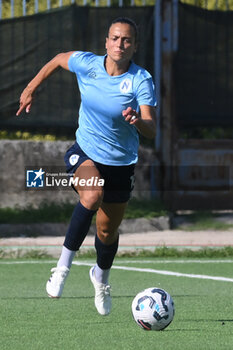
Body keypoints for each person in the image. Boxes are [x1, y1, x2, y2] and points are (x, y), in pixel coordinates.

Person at [16, 17, 156, 316]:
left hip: (120, 163)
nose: (120, 44)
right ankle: (62, 267)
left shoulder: (140, 80)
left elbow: (152, 129)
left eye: (126, 40)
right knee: (92, 195)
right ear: (106, 42)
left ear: (135, 46)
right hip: (86, 152)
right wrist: (31, 87)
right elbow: (57, 60)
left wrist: (137, 121)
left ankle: (100, 277)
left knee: (107, 231)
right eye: (115, 38)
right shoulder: (88, 64)